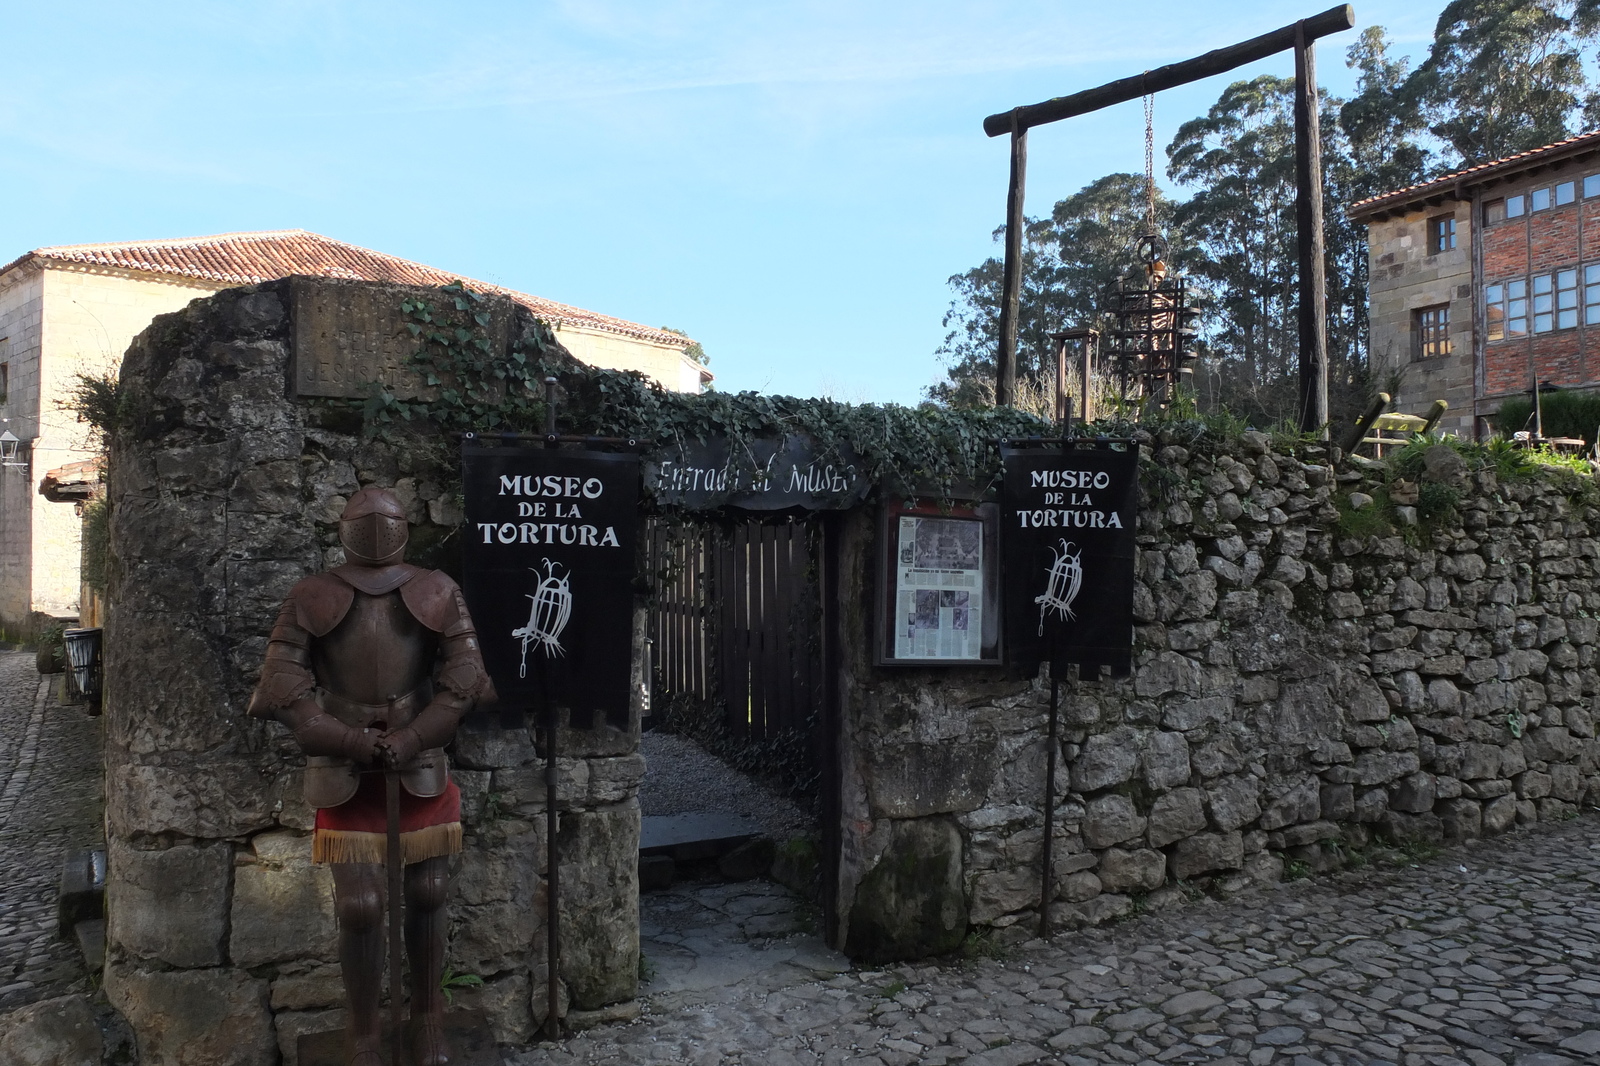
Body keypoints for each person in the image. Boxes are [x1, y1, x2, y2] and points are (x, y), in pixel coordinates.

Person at [249, 486, 495, 1066]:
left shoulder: (438, 590)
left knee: (430, 893)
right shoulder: (314, 593)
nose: (378, 533)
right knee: (359, 905)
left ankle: (427, 1020)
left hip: (422, 758)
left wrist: (412, 736)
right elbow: (282, 684)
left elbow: (466, 680)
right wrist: (348, 737)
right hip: (341, 764)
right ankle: (364, 1033)